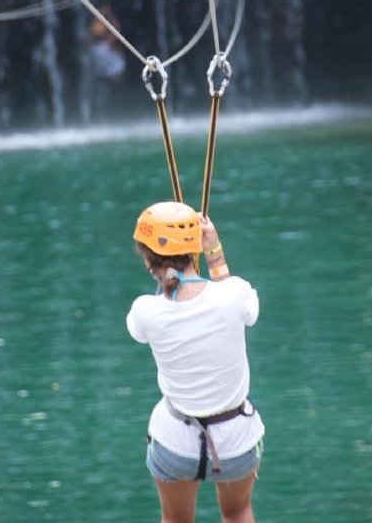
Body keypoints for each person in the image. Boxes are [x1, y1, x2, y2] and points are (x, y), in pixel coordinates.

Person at [126, 201, 264, 523]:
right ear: (196, 249)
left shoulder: (146, 311)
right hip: (235, 439)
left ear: (148, 258)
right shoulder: (233, 293)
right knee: (238, 511)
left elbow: (140, 327)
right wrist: (215, 253)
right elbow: (242, 304)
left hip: (175, 441)